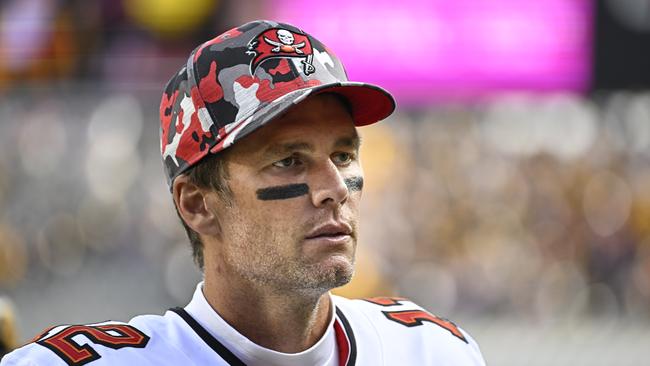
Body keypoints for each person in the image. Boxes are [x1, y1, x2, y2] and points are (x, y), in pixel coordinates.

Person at [1, 20, 486, 365]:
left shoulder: (435, 351)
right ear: (197, 204)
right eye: (288, 161)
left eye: (342, 155)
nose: (335, 189)